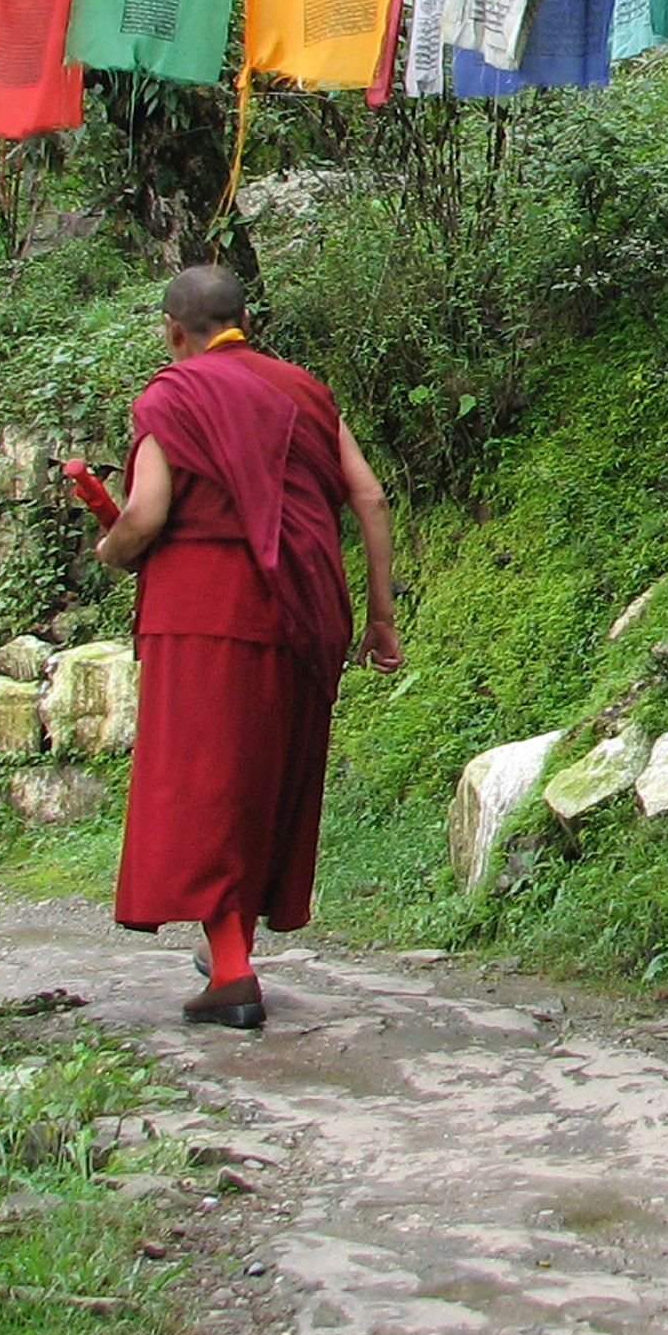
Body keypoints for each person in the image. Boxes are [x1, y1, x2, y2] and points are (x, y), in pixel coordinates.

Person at [90, 266, 400, 1026]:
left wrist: (110, 547)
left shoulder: (172, 395)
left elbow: (147, 514)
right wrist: (380, 617)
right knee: (264, 774)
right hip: (302, 608)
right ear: (245, 319)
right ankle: (228, 946)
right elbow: (370, 496)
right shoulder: (303, 390)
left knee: (204, 783)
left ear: (172, 330)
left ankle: (231, 966)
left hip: (202, 608)